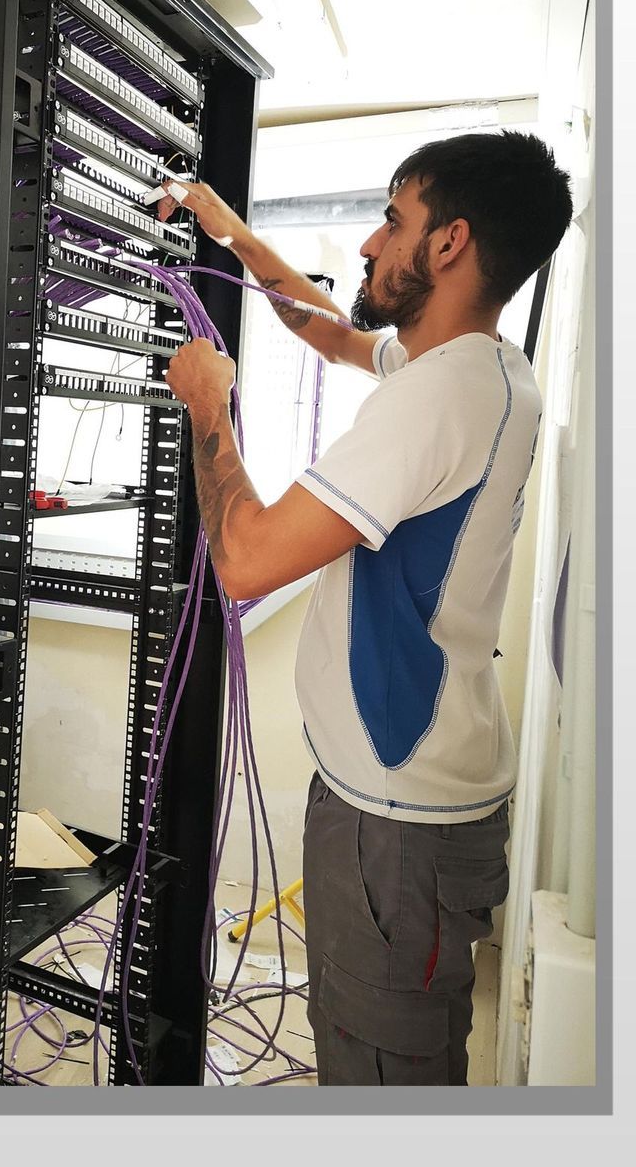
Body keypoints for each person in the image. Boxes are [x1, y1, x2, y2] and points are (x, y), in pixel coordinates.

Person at [156, 130, 572, 1085]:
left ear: (450, 243)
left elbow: (250, 560)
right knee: (379, 1057)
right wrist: (233, 237)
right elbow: (331, 332)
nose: (369, 245)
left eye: (393, 220)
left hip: (398, 828)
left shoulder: (437, 402)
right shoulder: (477, 371)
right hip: (408, 805)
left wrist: (209, 412)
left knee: (380, 1084)